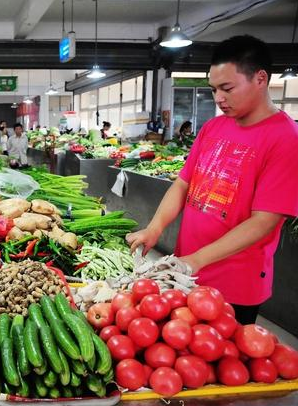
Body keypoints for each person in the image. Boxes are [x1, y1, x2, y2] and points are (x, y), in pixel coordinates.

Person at [126, 35, 298, 325]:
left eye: (227, 88)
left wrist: (196, 260)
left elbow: (264, 221)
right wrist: (155, 228)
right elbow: (182, 184)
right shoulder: (213, 128)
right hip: (185, 273)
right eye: (214, 89)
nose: (218, 98)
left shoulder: (285, 139)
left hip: (234, 286)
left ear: (260, 78)